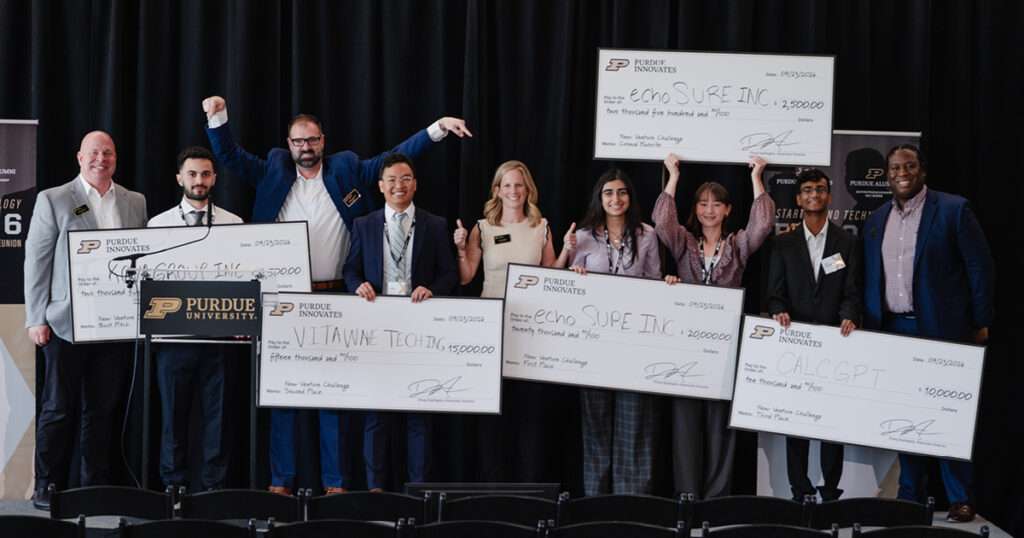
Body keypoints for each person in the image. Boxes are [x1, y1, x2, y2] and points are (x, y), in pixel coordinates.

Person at [202, 95, 469, 495]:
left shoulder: (345, 168)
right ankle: (280, 482)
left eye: (311, 140)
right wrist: (216, 116)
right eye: (297, 142)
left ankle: (336, 484)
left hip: (336, 297)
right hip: (284, 300)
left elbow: (393, 157)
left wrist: (436, 129)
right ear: (288, 144)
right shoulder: (273, 168)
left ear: (322, 141)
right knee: (283, 394)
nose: (305, 148)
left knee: (333, 394)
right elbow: (229, 155)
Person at [863, 144, 994, 523]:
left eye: (909, 165)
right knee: (905, 415)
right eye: (894, 168)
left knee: (947, 414)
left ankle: (960, 498)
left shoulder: (953, 209)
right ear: (886, 176)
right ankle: (911, 495)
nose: (902, 172)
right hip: (892, 331)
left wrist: (981, 322)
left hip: (942, 330)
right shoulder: (876, 220)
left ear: (922, 170)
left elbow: (979, 268)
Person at [24, 131, 148, 509]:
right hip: (64, 324)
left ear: (116, 158)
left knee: (102, 409)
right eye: (94, 152)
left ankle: (93, 485)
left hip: (115, 327)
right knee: (58, 407)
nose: (101, 159)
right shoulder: (54, 199)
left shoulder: (134, 202)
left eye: (108, 153)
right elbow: (37, 261)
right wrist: (36, 318)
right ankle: (47, 484)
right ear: (80, 157)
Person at [653, 153, 774, 499]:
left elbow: (763, 226)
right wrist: (673, 176)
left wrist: (756, 177)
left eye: (716, 204)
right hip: (687, 347)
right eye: (703, 203)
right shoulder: (685, 243)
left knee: (721, 425)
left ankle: (716, 499)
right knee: (686, 424)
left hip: (725, 346)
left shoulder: (737, 245)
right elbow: (662, 223)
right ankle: (688, 498)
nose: (708, 210)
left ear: (727, 210)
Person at [343, 153, 457, 490]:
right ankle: (376, 488)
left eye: (405, 178)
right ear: (380, 186)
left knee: (418, 415)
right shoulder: (364, 224)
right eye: (391, 179)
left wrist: (432, 289)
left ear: (415, 184)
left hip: (419, 330)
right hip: (376, 329)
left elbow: (450, 273)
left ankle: (418, 489)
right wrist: (356, 285)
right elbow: (350, 269)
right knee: (375, 417)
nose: (399, 185)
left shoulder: (435, 224)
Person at [452, 160, 565, 482]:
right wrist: (460, 249)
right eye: (507, 185)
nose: (513, 191)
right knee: (494, 407)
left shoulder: (540, 226)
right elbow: (465, 278)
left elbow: (551, 274)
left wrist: (567, 252)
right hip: (492, 326)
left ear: (528, 189)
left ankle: (528, 484)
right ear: (497, 190)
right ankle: (492, 483)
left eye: (519, 185)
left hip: (531, 327)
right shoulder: (483, 228)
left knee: (528, 409)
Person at [553, 169, 662, 495]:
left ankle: (631, 503)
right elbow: (563, 288)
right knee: (596, 426)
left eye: (622, 192)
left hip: (634, 346)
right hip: (594, 348)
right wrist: (576, 274)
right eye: (609, 193)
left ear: (630, 197)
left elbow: (656, 285)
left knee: (635, 426)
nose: (616, 199)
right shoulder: (583, 237)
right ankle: (596, 502)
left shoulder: (647, 235)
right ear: (599, 199)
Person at [146, 146, 243, 491]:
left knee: (217, 419)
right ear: (179, 178)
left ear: (215, 178)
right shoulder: (157, 225)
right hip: (173, 340)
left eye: (205, 174)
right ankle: (174, 488)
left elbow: (243, 278)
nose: (199, 181)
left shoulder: (234, 224)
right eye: (192, 174)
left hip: (219, 340)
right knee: (173, 418)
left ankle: (214, 491)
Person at [766, 168, 862, 502]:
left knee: (832, 423)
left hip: (835, 343)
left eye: (820, 189)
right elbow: (774, 292)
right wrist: (778, 309)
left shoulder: (846, 242)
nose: (814, 195)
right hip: (796, 343)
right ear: (798, 199)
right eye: (807, 190)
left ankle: (831, 493)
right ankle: (799, 491)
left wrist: (849, 315)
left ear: (829, 195)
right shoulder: (783, 243)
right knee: (797, 421)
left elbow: (852, 291)